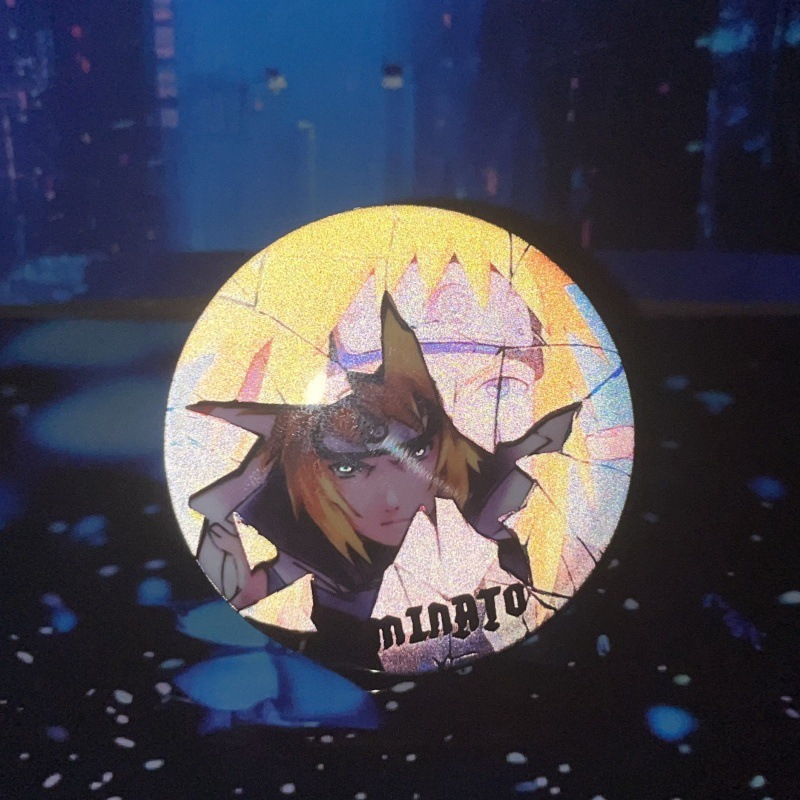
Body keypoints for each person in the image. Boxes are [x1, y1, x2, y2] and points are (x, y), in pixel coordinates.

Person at [188, 293, 579, 669]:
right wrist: (224, 512)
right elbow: (251, 590)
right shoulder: (326, 546)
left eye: (500, 387)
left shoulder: (485, 490)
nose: (464, 417)